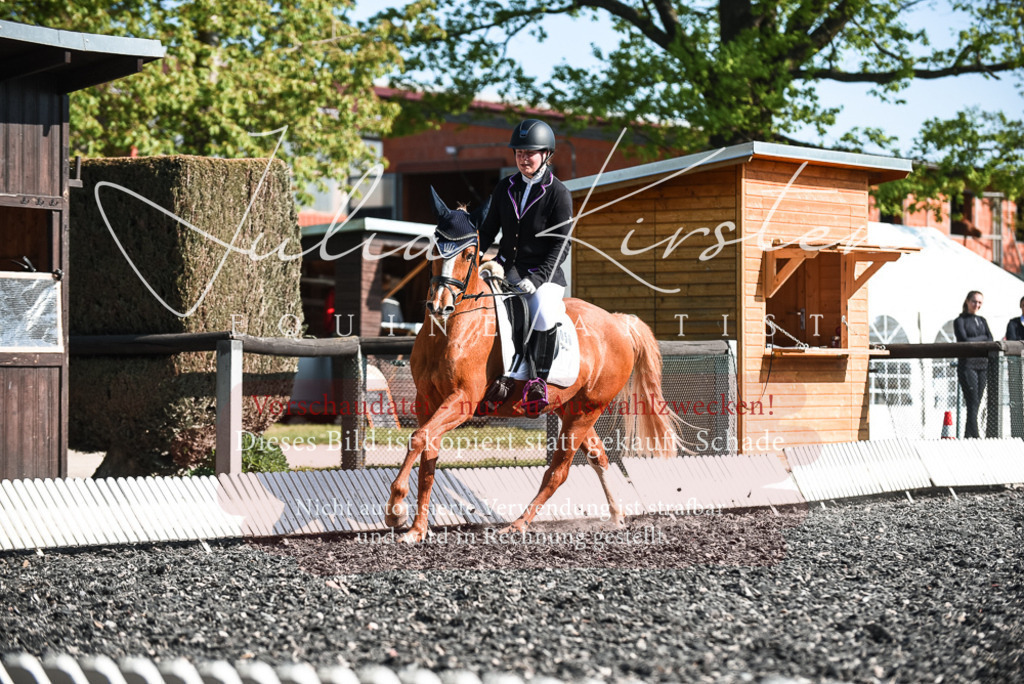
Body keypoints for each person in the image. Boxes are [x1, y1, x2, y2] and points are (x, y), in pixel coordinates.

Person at [477, 119, 573, 416]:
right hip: (506, 269)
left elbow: (561, 245)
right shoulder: (505, 186)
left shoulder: (558, 193)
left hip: (544, 274)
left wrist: (539, 278)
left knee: (542, 311)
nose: (522, 158)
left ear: (546, 154)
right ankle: (501, 374)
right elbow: (489, 229)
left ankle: (537, 381)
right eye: (518, 152)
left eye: (529, 152)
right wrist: (474, 253)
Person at [953, 290, 993, 438]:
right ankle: (975, 435)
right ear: (967, 301)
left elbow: (991, 339)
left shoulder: (982, 320)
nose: (977, 305)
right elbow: (963, 340)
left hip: (983, 365)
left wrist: (976, 340)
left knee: (976, 402)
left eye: (980, 302)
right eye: (974, 301)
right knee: (972, 400)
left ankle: (968, 434)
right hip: (967, 364)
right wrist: (981, 339)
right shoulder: (960, 321)